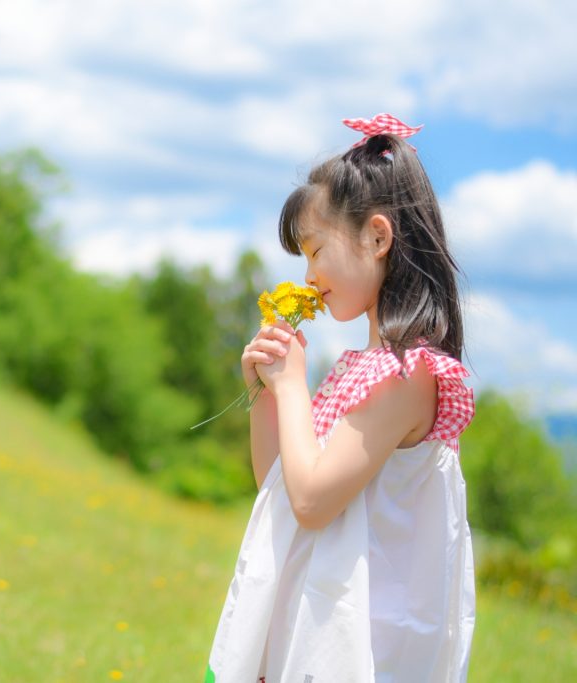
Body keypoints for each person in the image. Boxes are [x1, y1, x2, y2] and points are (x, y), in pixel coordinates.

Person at [203, 113, 476, 683]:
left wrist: (293, 385)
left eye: (316, 250)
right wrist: (267, 394)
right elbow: (279, 486)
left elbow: (313, 502)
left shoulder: (409, 373)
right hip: (315, 610)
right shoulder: (361, 366)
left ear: (377, 237)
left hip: (356, 638)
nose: (309, 274)